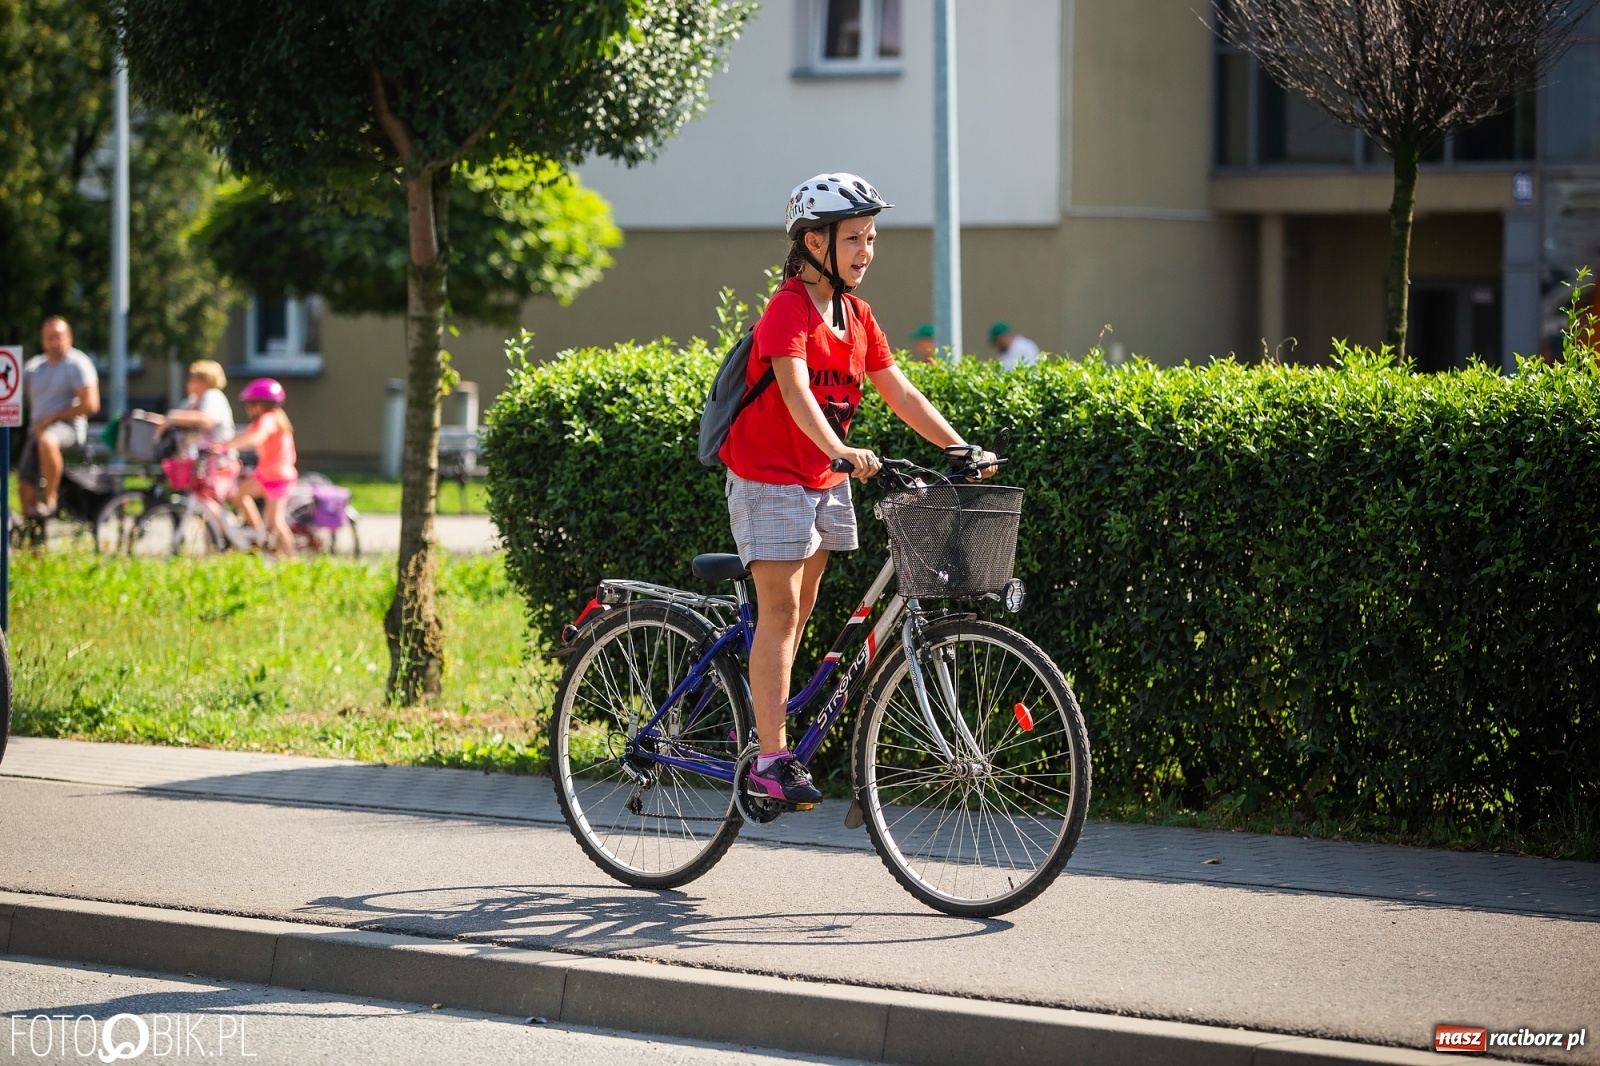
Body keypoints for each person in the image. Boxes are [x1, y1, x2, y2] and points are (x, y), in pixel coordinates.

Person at [718, 172, 995, 806]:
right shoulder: (788, 308)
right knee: (781, 612)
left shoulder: (857, 316)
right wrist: (840, 449)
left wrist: (958, 447)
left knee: (799, 610)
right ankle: (768, 758)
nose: (866, 250)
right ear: (814, 242)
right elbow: (793, 389)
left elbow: (900, 391)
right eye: (854, 238)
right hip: (769, 477)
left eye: (871, 238)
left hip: (823, 477)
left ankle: (761, 721)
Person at [19, 316, 100, 519]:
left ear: (69, 338)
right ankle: (32, 527)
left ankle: (50, 499)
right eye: (48, 337)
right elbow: (10, 387)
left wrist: (52, 418)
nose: (53, 342)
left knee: (48, 440)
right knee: (24, 485)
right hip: (37, 432)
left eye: (57, 336)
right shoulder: (35, 367)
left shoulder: (77, 364)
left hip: (68, 428)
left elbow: (91, 404)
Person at [227, 378, 298, 557]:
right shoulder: (264, 420)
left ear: (262, 404)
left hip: (279, 477)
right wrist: (221, 444)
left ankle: (293, 561)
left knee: (276, 523)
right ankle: (260, 533)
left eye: (251, 404)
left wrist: (229, 447)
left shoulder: (269, 419)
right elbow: (243, 435)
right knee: (238, 494)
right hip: (265, 475)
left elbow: (256, 438)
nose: (248, 408)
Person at [153, 360, 236, 449]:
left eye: (192, 378)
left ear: (204, 381)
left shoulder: (213, 395)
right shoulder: (192, 400)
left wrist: (171, 418)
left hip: (217, 455)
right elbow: (176, 417)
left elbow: (206, 420)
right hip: (196, 455)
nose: (187, 382)